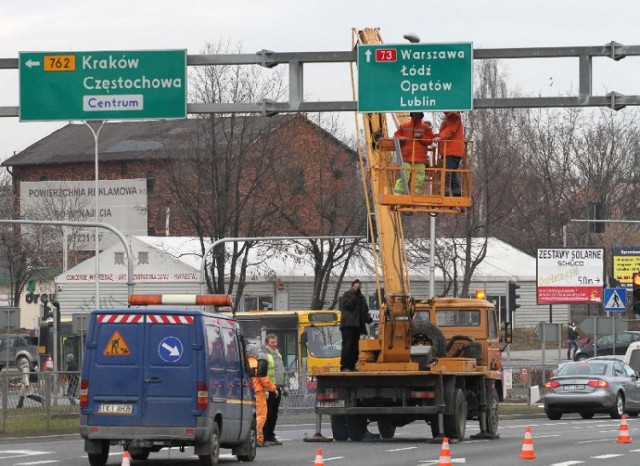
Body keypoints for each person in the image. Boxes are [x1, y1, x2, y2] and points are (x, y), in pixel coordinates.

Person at [393, 112, 434, 195]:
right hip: (406, 157)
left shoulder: (426, 128)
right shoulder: (404, 126)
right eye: (415, 114)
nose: (416, 115)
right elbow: (396, 135)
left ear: (421, 115)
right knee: (404, 176)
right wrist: (401, 138)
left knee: (419, 179)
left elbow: (430, 140)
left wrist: (421, 137)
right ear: (412, 115)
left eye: (418, 114)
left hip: (419, 159)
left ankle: (416, 196)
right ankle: (398, 196)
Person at [246, 344, 277, 447]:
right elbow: (263, 378)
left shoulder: (244, 363)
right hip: (258, 393)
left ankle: (249, 437)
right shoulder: (256, 364)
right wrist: (273, 388)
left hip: (246, 393)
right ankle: (258, 438)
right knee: (261, 416)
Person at [339, 279, 373, 372]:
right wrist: (355, 295)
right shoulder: (347, 295)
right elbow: (348, 306)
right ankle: (345, 366)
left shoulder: (361, 297)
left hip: (357, 326)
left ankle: (352, 365)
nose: (358, 287)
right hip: (348, 325)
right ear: (352, 286)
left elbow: (364, 310)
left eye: (359, 285)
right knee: (347, 346)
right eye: (356, 285)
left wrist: (368, 319)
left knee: (355, 347)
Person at [263, 334, 287, 446]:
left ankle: (271, 435)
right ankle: (264, 436)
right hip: (268, 388)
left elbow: (281, 370)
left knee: (274, 413)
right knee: (268, 413)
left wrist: (284, 385)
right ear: (267, 343)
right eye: (272, 342)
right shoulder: (264, 354)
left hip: (277, 387)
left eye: (275, 342)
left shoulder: (277, 354)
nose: (274, 344)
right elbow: (264, 372)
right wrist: (266, 388)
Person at [433, 111, 465, 196]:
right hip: (454, 151)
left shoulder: (453, 117)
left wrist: (439, 137)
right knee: (452, 174)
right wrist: (434, 136)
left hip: (452, 151)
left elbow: (450, 130)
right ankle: (457, 193)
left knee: (447, 172)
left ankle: (445, 191)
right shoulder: (452, 117)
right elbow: (447, 131)